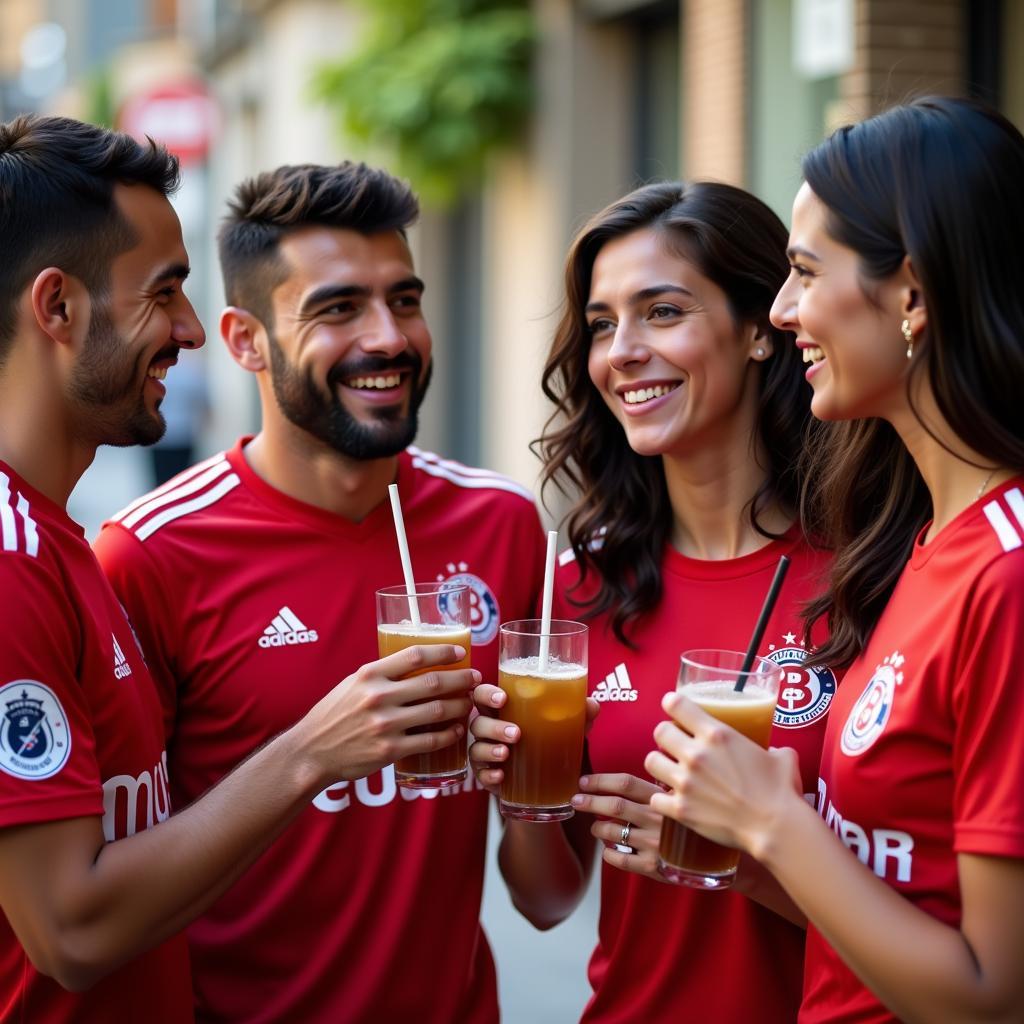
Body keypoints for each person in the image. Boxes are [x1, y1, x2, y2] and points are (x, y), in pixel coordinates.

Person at [0, 116, 476, 1023]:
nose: (186, 331)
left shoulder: (52, 541)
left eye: (404, 299)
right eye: (164, 292)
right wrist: (312, 751)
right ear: (57, 308)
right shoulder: (22, 560)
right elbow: (70, 934)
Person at [93, 161, 546, 1023]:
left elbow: (548, 893)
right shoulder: (149, 554)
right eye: (339, 309)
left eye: (404, 300)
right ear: (245, 339)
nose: (389, 337)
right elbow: (110, 883)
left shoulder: (502, 525)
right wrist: (311, 754)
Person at [647, 96, 1024, 1022]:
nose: (780, 314)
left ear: (914, 293)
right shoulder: (923, 540)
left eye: (805, 273)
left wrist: (771, 823)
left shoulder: (1008, 576)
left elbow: (994, 997)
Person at [469, 181, 839, 1022]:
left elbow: (933, 924)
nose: (622, 352)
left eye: (662, 312)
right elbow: (546, 900)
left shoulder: (869, 572)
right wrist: (518, 788)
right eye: (602, 324)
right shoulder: (579, 585)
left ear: (758, 328)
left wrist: (740, 852)